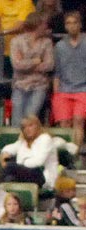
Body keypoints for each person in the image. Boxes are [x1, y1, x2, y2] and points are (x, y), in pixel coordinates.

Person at [9, 12, 54, 125]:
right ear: (37, 24)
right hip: (20, 84)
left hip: (39, 85)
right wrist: (36, 61)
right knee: (17, 119)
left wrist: (26, 64)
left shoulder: (47, 42)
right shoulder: (16, 42)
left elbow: (49, 65)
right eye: (44, 24)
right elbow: (17, 65)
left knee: (31, 117)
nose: (47, 27)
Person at [53, 10, 86, 152]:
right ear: (65, 26)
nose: (71, 26)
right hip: (64, 90)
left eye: (74, 23)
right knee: (64, 124)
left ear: (80, 25)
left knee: (78, 120)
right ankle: (66, 155)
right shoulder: (59, 46)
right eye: (68, 23)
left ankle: (76, 153)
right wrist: (56, 94)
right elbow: (57, 72)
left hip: (83, 89)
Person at [0, 114, 59, 188]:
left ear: (37, 126)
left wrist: (21, 163)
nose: (27, 129)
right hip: (27, 176)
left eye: (30, 125)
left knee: (10, 166)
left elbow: (37, 162)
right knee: (9, 179)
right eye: (24, 127)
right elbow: (8, 148)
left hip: (43, 177)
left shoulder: (45, 139)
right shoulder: (23, 142)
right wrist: (5, 154)